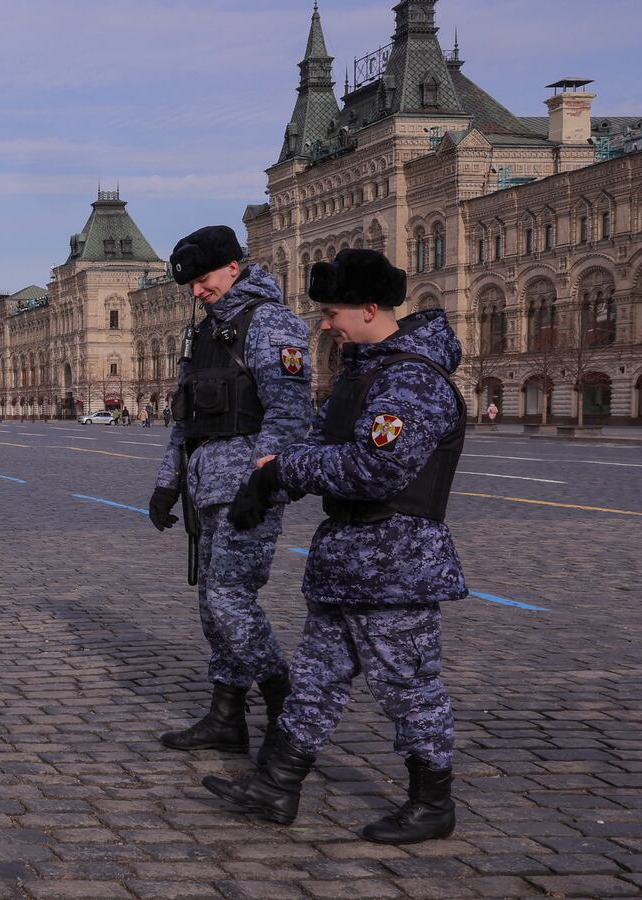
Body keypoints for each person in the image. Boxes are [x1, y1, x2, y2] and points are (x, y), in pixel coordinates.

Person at [205, 248, 465, 845]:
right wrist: (269, 483)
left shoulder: (412, 378)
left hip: (398, 561)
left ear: (370, 308)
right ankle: (276, 784)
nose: (324, 325)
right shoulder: (362, 373)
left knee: (408, 687)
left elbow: (377, 468)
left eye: (333, 313)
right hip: (348, 558)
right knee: (316, 680)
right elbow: (317, 447)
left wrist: (285, 467)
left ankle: (433, 801)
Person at [148, 224, 312, 756]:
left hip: (247, 491)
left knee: (228, 599)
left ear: (234, 267)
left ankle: (283, 698)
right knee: (210, 604)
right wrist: (167, 483)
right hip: (205, 488)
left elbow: (289, 415)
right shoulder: (203, 334)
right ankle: (226, 714)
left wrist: (264, 483)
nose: (197, 291)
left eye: (203, 280)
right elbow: (184, 416)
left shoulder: (270, 324)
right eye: (190, 284)